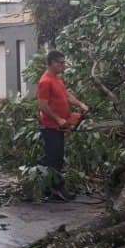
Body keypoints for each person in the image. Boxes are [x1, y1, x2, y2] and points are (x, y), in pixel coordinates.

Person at [36, 49, 88, 201]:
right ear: (52, 63)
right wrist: (58, 119)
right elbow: (42, 106)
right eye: (61, 63)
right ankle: (55, 189)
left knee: (55, 157)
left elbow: (66, 95)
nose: (64, 65)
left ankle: (47, 187)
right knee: (55, 159)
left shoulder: (57, 78)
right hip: (50, 126)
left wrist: (80, 104)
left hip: (59, 126)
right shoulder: (45, 81)